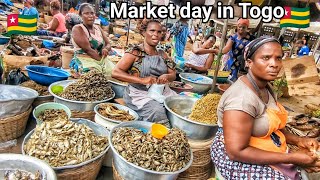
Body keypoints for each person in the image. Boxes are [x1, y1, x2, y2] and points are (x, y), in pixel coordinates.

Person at [211, 36, 320, 179]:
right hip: (233, 152)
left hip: (264, 142)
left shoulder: (266, 87)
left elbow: (273, 126)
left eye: (278, 58)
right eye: (266, 58)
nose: (274, 64)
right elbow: (236, 152)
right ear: (249, 62)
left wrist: (298, 140)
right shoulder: (241, 99)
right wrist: (292, 158)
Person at [111, 19, 177, 127]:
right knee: (157, 111)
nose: (156, 34)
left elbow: (173, 74)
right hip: (139, 94)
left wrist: (167, 76)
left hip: (161, 92)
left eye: (159, 32)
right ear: (143, 32)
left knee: (176, 106)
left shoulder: (163, 54)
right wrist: (141, 80)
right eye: (152, 31)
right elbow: (115, 72)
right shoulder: (135, 52)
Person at [69, 3, 112, 76]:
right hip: (84, 60)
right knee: (95, 76)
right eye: (86, 13)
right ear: (80, 15)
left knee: (114, 72)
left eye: (92, 13)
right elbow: (88, 50)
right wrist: (101, 63)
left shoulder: (98, 28)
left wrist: (106, 49)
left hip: (99, 59)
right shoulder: (78, 29)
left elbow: (108, 44)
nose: (90, 16)